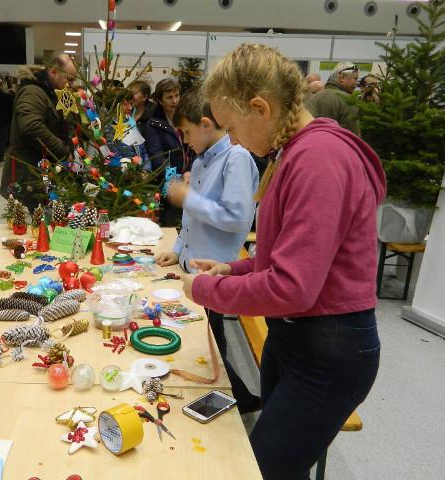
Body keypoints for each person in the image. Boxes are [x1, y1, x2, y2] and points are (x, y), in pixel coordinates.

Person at [181, 44, 384, 480]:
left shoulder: (319, 159)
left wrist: (206, 290)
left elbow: (292, 287)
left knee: (263, 469)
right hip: (296, 338)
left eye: (232, 127)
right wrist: (232, 269)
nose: (234, 140)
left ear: (260, 108)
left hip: (327, 352)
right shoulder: (293, 151)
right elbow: (283, 256)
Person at [155, 89, 260, 413]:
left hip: (216, 269)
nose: (186, 141)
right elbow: (192, 219)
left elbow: (237, 218)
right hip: (194, 267)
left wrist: (189, 197)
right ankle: (227, 393)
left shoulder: (236, 158)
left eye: (187, 132)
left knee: (213, 337)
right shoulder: (203, 160)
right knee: (203, 338)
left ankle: (237, 399)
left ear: (205, 124)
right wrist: (178, 249)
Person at [0, 54, 77, 208]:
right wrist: (63, 152)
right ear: (53, 72)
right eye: (69, 79)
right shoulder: (33, 92)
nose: (72, 84)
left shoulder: (57, 93)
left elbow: (69, 124)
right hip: (30, 174)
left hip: (47, 172)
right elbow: (31, 127)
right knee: (41, 218)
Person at [144, 78, 191, 226]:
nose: (175, 101)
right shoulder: (153, 124)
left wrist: (190, 172)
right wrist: (176, 181)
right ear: (160, 100)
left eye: (177, 95)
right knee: (170, 224)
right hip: (167, 185)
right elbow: (157, 157)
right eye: (169, 97)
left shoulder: (186, 119)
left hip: (190, 180)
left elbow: (195, 150)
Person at [307, 61, 360, 134]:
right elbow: (352, 135)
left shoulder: (314, 98)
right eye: (355, 78)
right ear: (342, 77)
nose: (357, 83)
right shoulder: (349, 101)